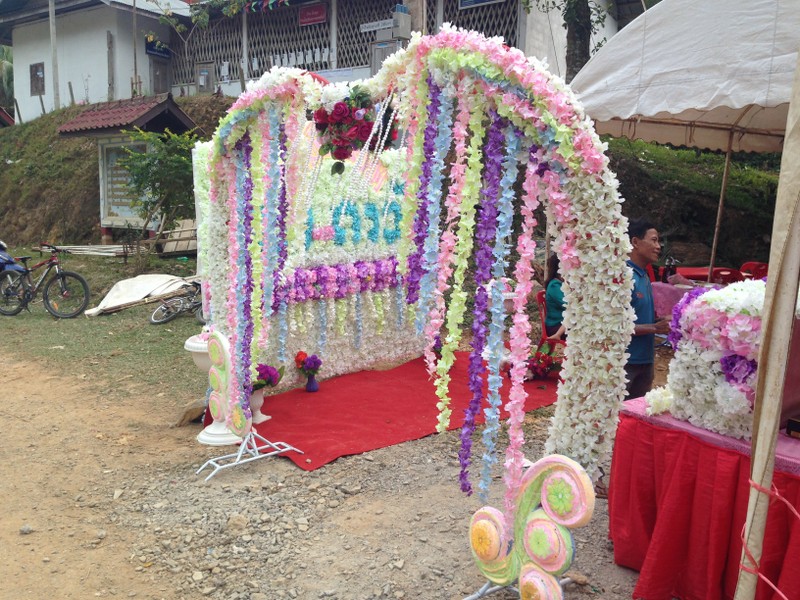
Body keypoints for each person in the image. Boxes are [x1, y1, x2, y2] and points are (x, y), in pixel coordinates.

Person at [625, 218, 671, 400]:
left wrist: (660, 322)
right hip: (625, 363)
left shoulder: (643, 276)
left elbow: (639, 317)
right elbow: (616, 326)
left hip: (646, 360)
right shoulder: (623, 277)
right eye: (654, 240)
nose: (658, 246)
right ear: (635, 242)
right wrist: (655, 328)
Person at [544, 254, 566, 340]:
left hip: (563, 323)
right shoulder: (554, 285)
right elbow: (567, 304)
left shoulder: (561, 283)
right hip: (555, 326)